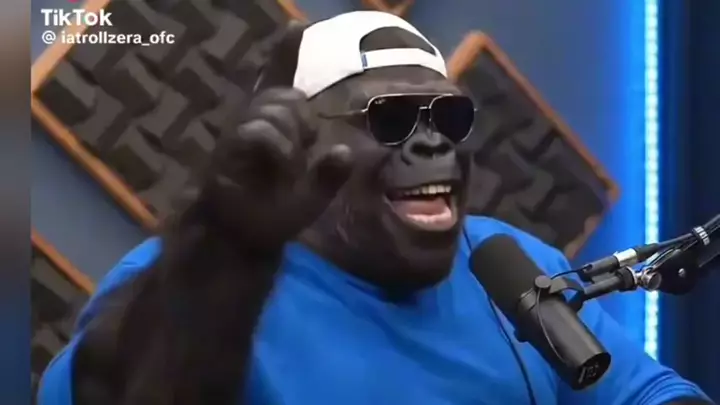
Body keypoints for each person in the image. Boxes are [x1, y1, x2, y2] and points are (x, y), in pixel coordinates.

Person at [38, 11, 712, 405]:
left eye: (448, 116)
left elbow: (643, 392)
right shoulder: (200, 275)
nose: (433, 143)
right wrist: (224, 253)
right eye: (390, 118)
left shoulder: (506, 261)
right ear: (301, 143)